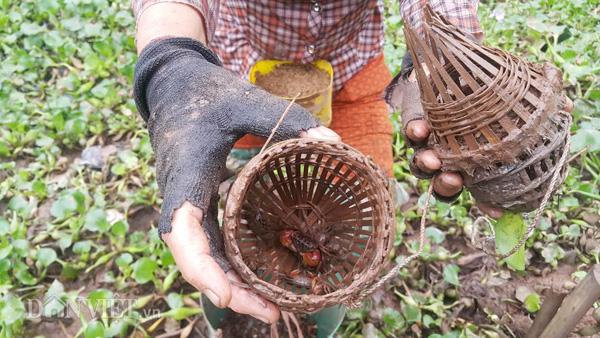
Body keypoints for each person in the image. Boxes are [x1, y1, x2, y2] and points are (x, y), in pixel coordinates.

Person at [131, 0, 500, 325]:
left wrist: (451, 68)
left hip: (348, 66)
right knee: (242, 168)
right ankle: (245, 189)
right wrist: (173, 65)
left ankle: (321, 299)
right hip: (244, 74)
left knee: (366, 194)